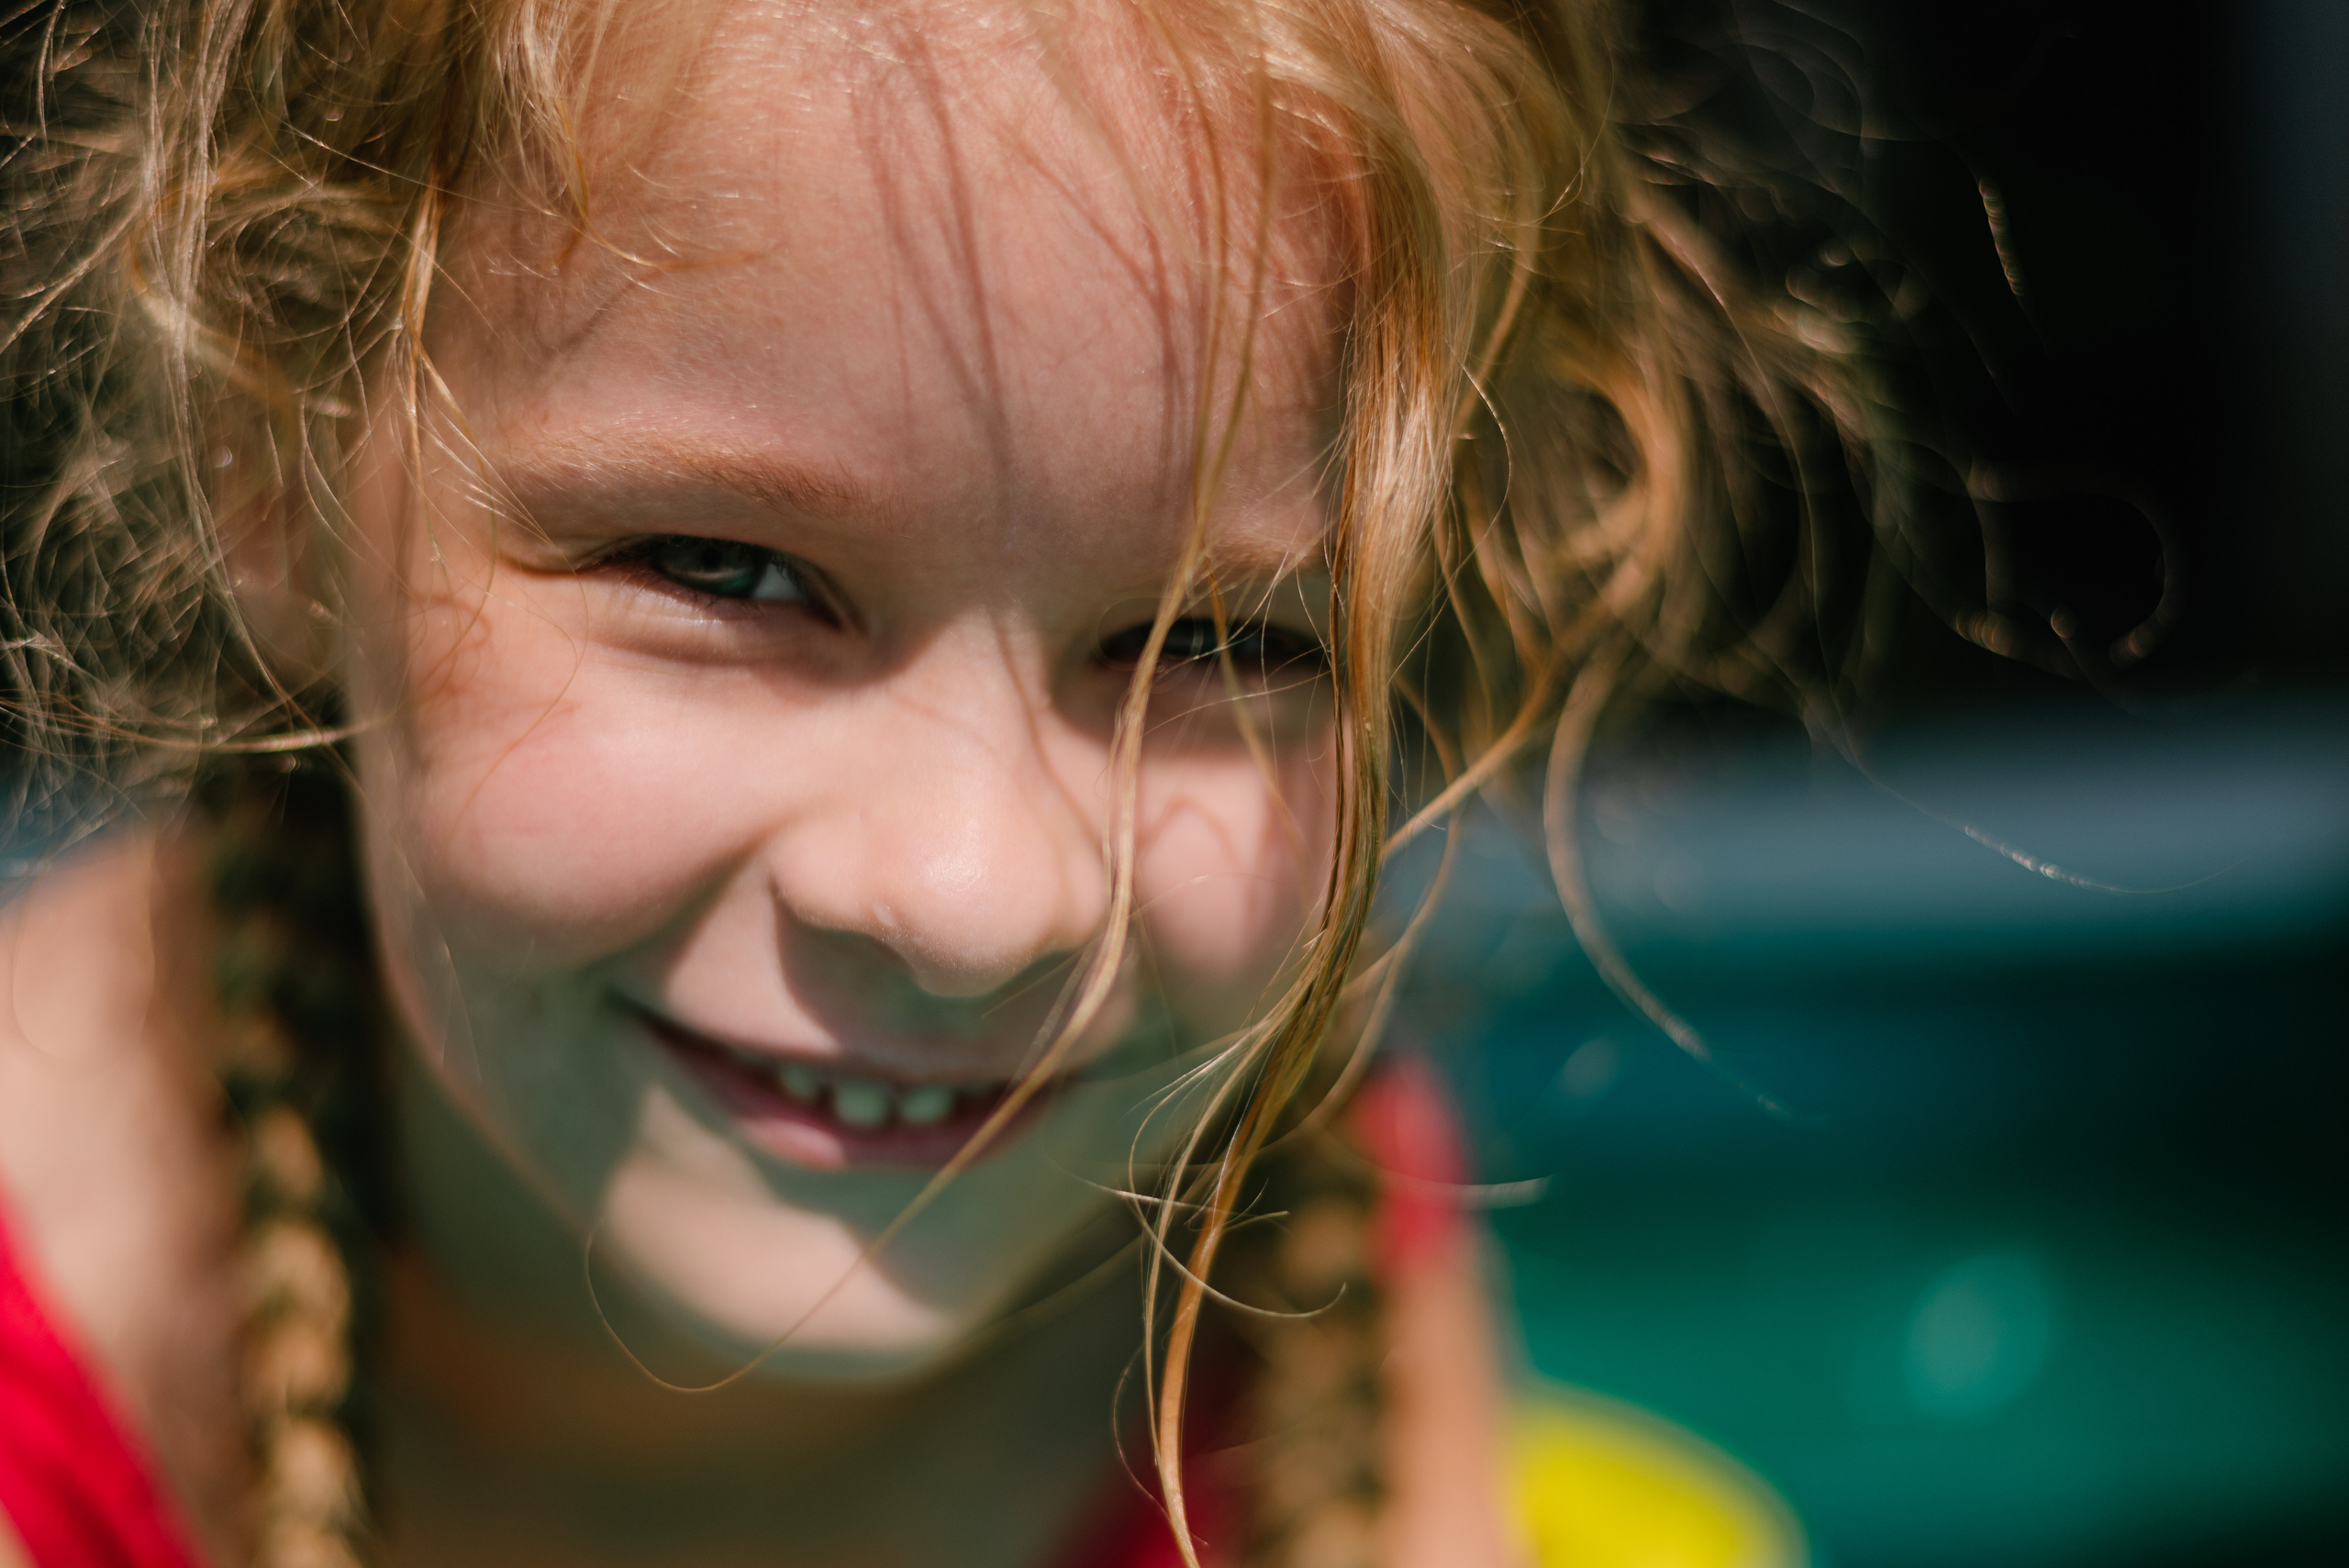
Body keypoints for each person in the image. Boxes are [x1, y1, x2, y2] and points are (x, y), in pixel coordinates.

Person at [0, 0, 1875, 1562]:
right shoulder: (47, 1392)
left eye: (1216, 648)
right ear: (274, 464)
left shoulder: (1265, 1258)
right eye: (719, 572)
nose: (973, 899)